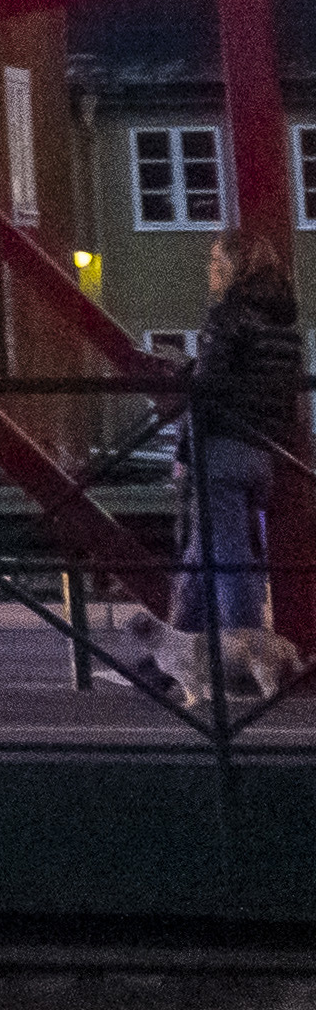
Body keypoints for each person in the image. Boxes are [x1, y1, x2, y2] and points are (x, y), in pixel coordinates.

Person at [192, 235, 307, 709]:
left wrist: (186, 432)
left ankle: (242, 668)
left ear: (235, 267)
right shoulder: (285, 326)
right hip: (261, 450)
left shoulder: (230, 319)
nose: (209, 268)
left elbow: (208, 385)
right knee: (204, 556)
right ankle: (178, 654)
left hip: (223, 447)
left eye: (216, 260)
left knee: (228, 561)